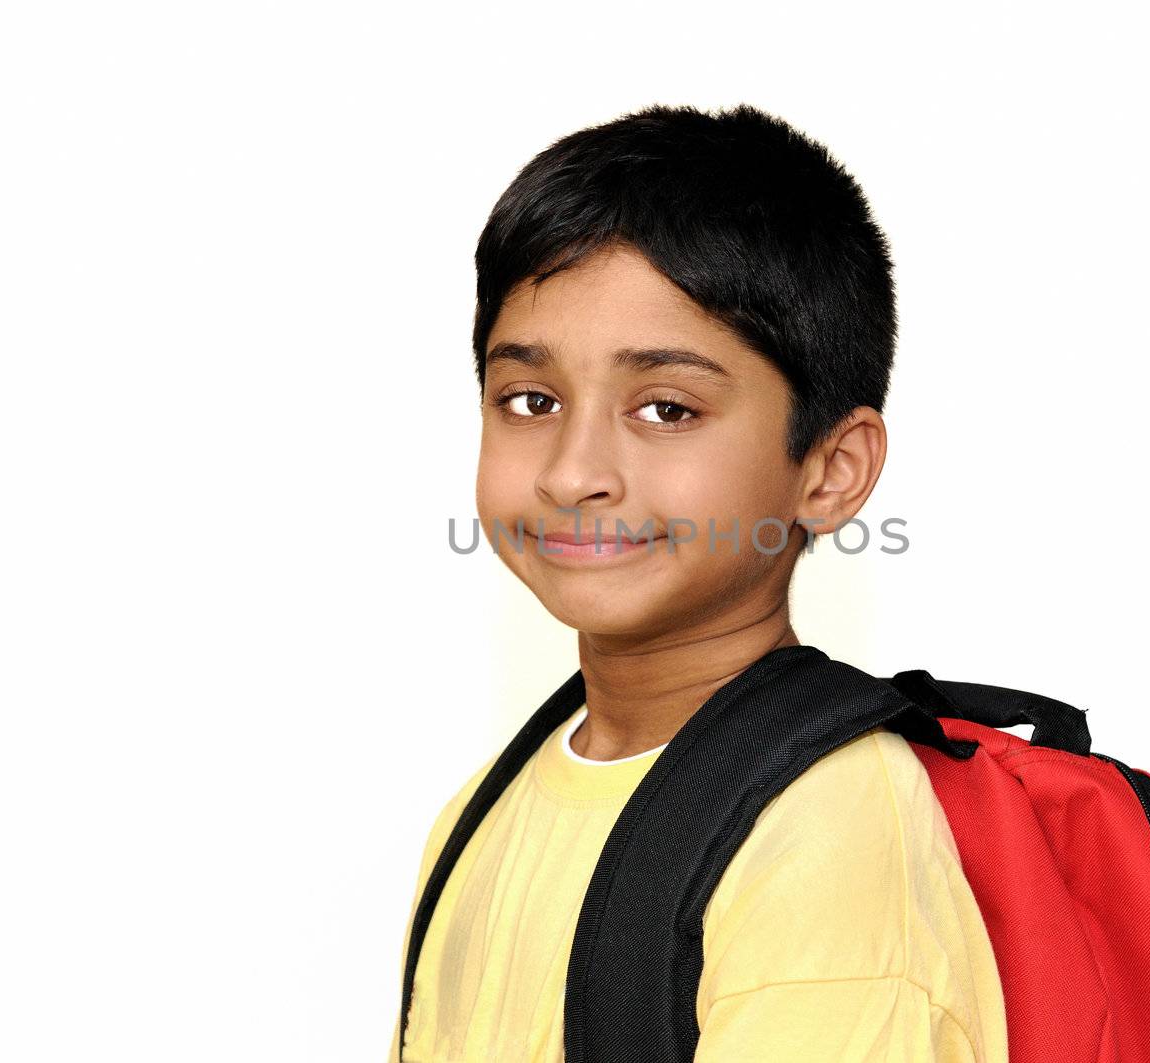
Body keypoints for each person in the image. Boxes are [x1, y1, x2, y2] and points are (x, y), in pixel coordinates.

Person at [392, 102, 1009, 1062]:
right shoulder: (482, 814)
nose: (570, 470)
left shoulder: (827, 825)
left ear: (832, 468)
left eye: (667, 407)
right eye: (530, 399)